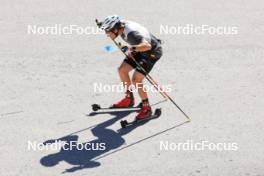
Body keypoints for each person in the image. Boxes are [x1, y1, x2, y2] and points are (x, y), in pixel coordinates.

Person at [100, 15, 162, 120]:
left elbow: (147, 46)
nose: (107, 34)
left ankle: (146, 108)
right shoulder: (120, 26)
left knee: (136, 80)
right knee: (122, 70)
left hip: (151, 53)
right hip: (138, 49)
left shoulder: (132, 34)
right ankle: (129, 98)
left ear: (115, 29)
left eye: (108, 31)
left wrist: (130, 48)